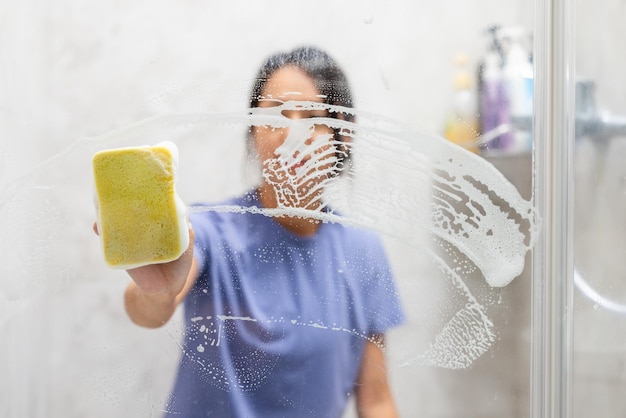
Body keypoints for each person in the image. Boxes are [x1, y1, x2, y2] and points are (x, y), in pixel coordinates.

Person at [116, 46, 405, 417]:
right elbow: (149, 308)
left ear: (342, 137)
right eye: (276, 116)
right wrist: (157, 288)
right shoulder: (210, 230)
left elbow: (377, 399)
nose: (292, 136)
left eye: (312, 118)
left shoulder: (363, 252)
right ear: (254, 131)